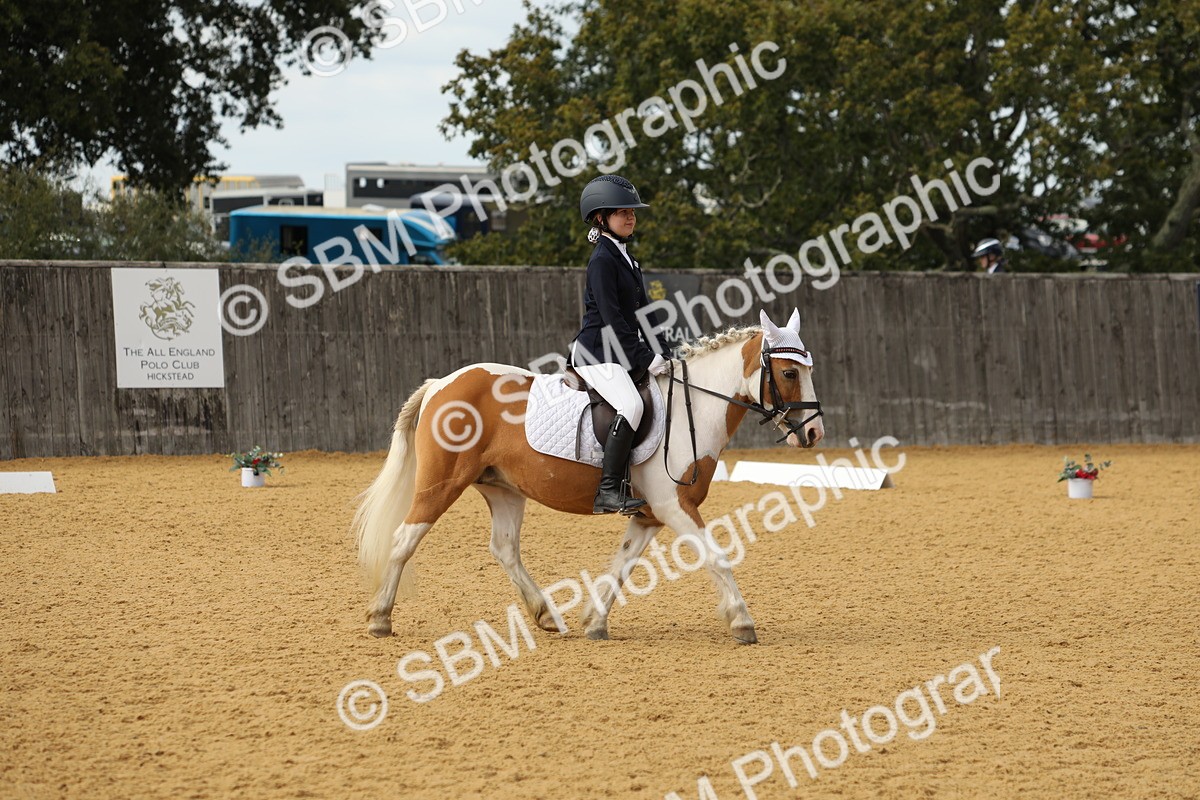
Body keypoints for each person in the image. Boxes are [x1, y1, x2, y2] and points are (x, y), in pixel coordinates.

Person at [571, 174, 671, 514]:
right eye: (621, 212)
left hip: (617, 352)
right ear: (601, 218)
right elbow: (615, 320)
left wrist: (667, 351)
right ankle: (609, 490)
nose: (630, 217)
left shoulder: (628, 259)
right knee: (632, 405)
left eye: (632, 211)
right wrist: (644, 358)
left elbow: (645, 313)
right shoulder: (602, 261)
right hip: (595, 353)